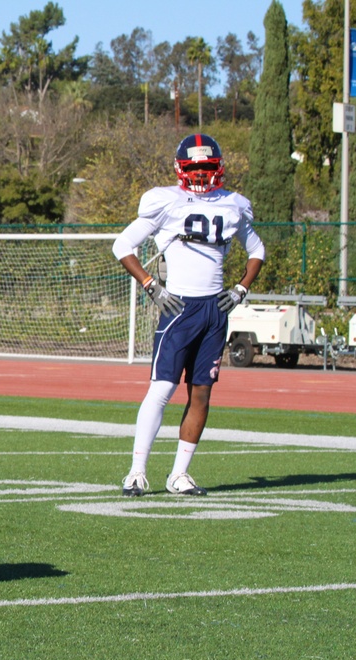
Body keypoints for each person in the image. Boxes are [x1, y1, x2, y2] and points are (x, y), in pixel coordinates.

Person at [112, 133, 265, 497]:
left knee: (201, 394)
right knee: (162, 389)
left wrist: (241, 288)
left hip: (215, 309)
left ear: (218, 168)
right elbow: (122, 244)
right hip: (179, 307)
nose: (200, 174)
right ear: (181, 169)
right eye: (194, 168)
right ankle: (136, 472)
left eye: (206, 167)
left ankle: (179, 475)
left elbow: (257, 250)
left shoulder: (233, 204)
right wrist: (150, 285)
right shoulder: (166, 201)